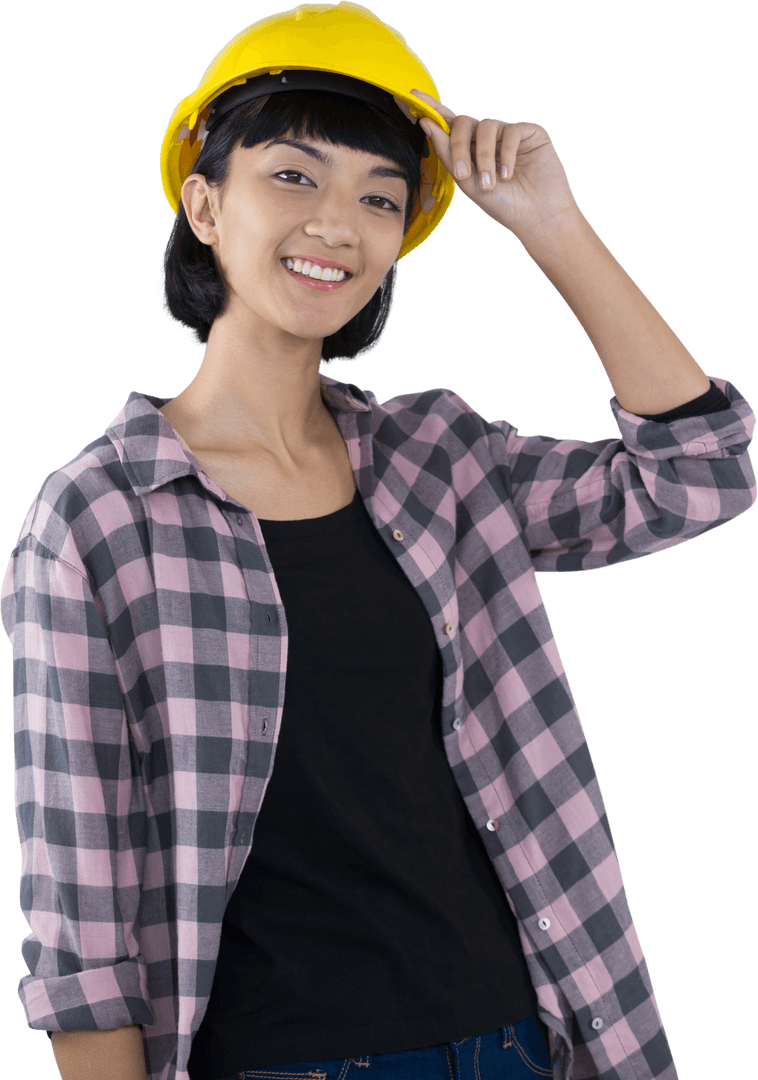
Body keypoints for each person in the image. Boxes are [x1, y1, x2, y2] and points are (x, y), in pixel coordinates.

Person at [1, 4, 755, 1080]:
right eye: (294, 176)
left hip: (521, 1044)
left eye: (379, 196)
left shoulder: (439, 460)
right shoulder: (96, 519)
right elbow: (81, 923)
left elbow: (703, 475)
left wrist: (551, 225)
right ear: (203, 202)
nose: (338, 224)